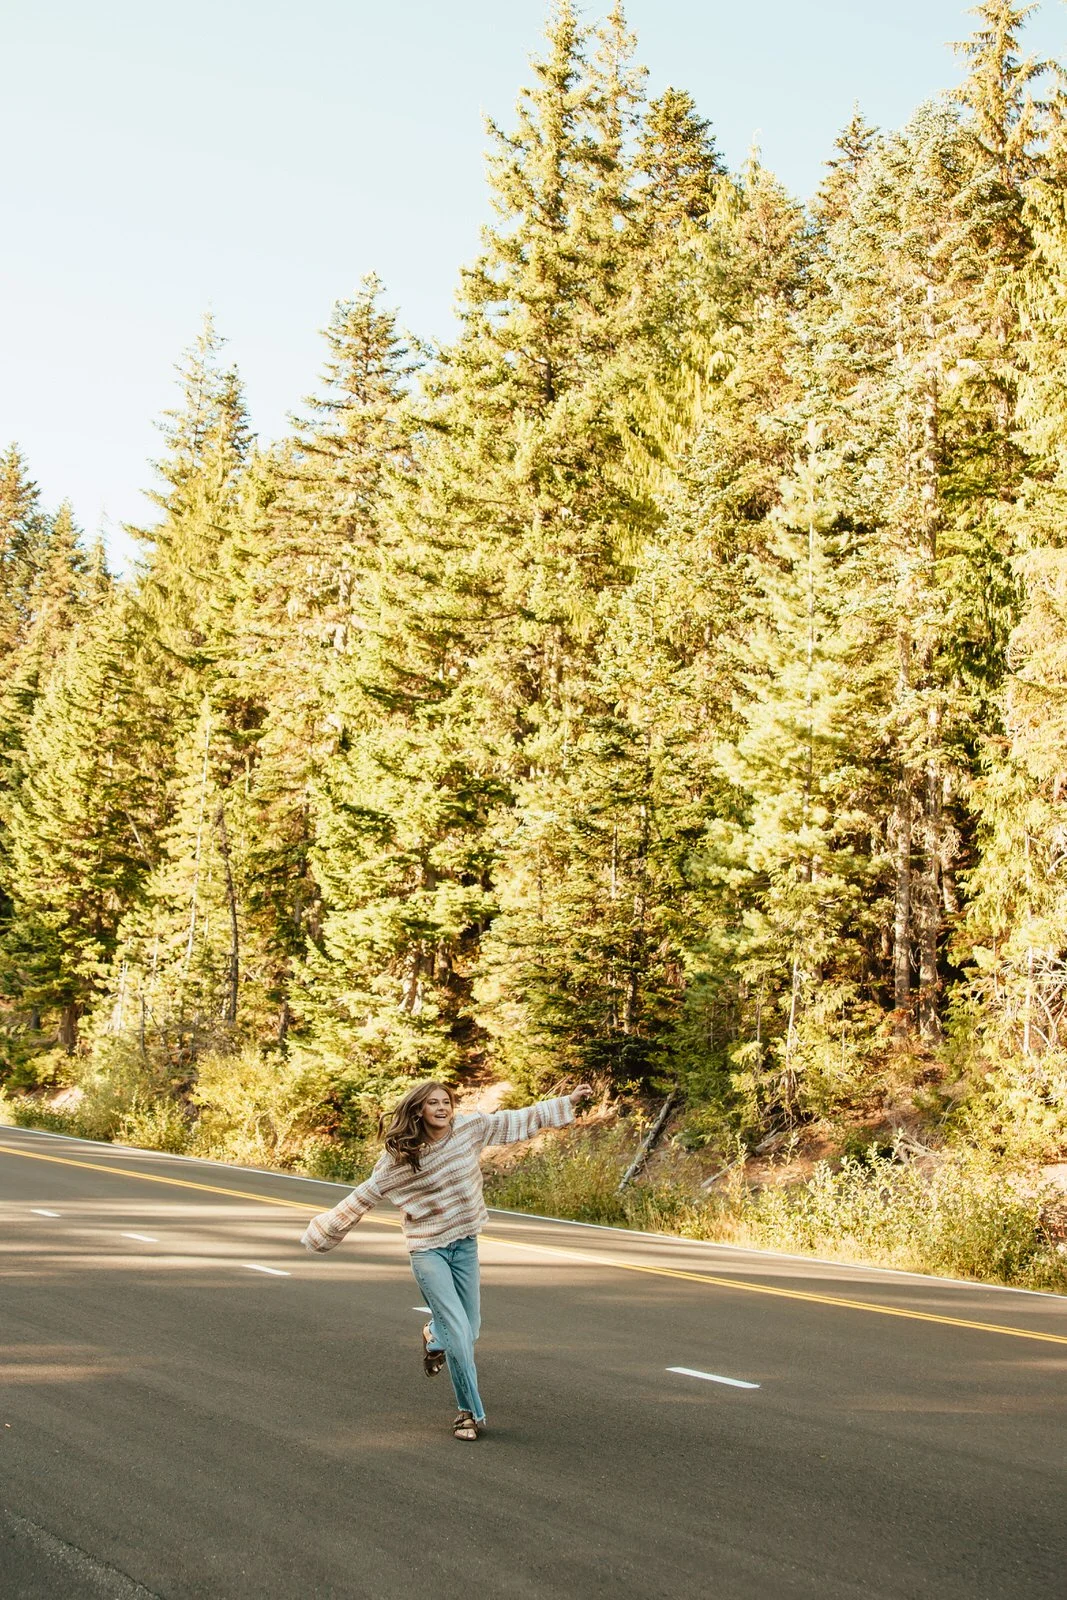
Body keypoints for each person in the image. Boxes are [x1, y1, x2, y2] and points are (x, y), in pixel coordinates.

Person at [301, 1080, 592, 1441]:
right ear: (418, 1111)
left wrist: (569, 1101)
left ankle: (432, 1335)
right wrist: (324, 1232)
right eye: (432, 1103)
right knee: (458, 1331)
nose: (442, 1108)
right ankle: (466, 1414)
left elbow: (515, 1120)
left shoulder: (469, 1130)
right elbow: (364, 1196)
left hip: (465, 1243)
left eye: (446, 1102)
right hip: (428, 1250)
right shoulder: (402, 1157)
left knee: (470, 1329)